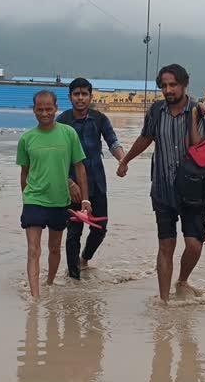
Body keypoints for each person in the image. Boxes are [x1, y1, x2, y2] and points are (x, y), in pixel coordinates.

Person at [117, 63, 205, 303]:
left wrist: (192, 117)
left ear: (184, 85)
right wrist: (125, 160)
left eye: (173, 85)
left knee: (194, 245)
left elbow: (197, 147)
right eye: (164, 86)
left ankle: (182, 281)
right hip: (162, 189)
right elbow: (146, 137)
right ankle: (164, 303)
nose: (168, 90)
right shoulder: (156, 111)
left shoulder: (199, 111)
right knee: (166, 245)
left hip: (193, 191)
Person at [17, 90, 88, 299]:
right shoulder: (26, 139)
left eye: (49, 108)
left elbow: (80, 167)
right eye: (40, 109)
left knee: (55, 248)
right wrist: (26, 199)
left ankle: (49, 283)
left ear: (56, 108)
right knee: (33, 250)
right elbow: (24, 173)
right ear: (34, 110)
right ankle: (35, 298)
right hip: (34, 200)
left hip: (59, 201)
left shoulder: (68, 134)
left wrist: (85, 199)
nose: (44, 113)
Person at [57, 78, 126, 279]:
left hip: (97, 182)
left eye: (84, 94)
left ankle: (84, 259)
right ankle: (73, 278)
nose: (80, 98)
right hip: (71, 185)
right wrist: (68, 183)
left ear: (90, 96)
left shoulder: (99, 119)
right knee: (73, 233)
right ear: (70, 97)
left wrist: (122, 160)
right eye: (76, 94)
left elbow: (113, 141)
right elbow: (57, 156)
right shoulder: (62, 121)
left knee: (100, 228)